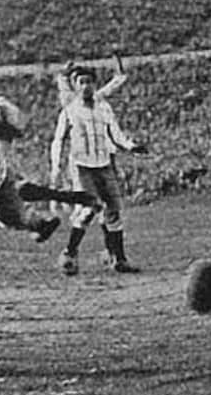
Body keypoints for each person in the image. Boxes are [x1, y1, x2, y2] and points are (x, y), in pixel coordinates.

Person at [0, 7, 101, 243]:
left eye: (39, 218)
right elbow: (30, 191)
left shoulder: (7, 207)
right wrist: (71, 197)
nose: (38, 213)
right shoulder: (9, 199)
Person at [49, 65, 148, 275]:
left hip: (104, 165)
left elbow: (116, 134)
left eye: (89, 82)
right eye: (81, 82)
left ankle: (119, 259)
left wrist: (131, 146)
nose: (86, 86)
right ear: (75, 86)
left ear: (95, 84)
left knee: (113, 211)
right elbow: (58, 140)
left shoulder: (104, 108)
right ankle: (69, 254)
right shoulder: (69, 111)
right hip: (81, 167)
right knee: (88, 209)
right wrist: (56, 167)